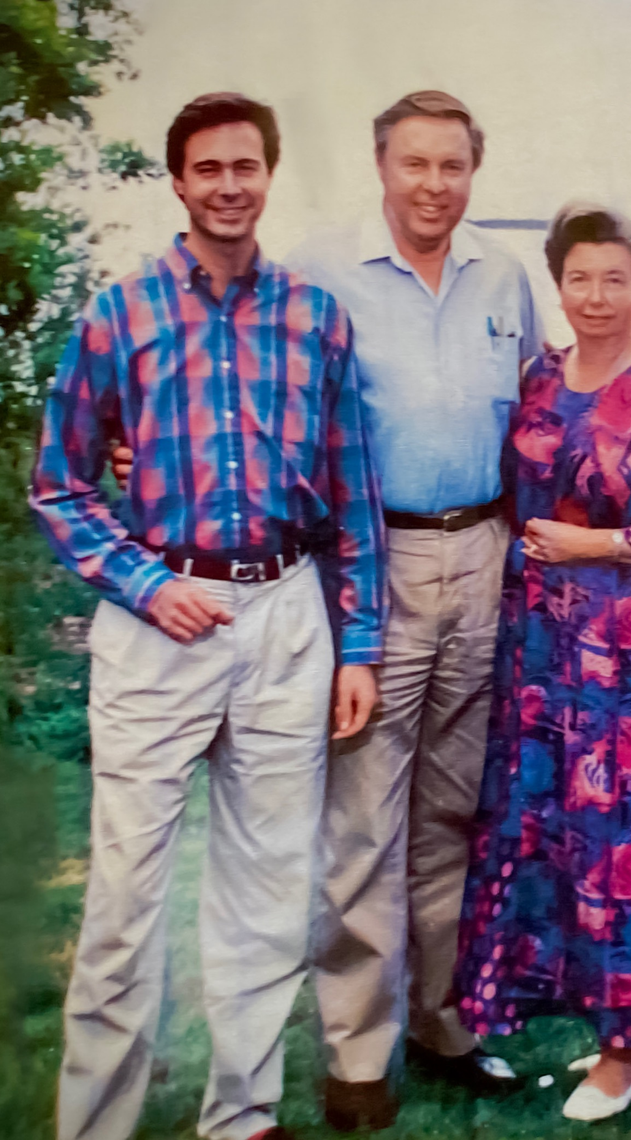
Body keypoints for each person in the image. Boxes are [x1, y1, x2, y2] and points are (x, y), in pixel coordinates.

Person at [31, 93, 385, 1140]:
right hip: (159, 623)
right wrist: (145, 581)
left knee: (269, 888)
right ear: (178, 182)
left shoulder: (315, 318)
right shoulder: (119, 314)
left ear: (269, 174)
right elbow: (59, 486)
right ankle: (93, 1122)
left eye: (247, 165)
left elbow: (351, 493)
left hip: (286, 614)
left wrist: (356, 643)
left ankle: (243, 1113)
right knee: (124, 904)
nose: (229, 185)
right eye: (207, 168)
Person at [286, 91, 545, 1129]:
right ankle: (357, 1048)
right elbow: (268, 412)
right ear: (381, 166)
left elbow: (539, 416)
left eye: (452, 166)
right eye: (415, 165)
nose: (434, 185)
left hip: (481, 554)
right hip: (371, 562)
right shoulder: (319, 272)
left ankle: (442, 1019)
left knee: (451, 809)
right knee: (362, 815)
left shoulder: (505, 277)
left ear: (473, 172)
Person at [454, 203, 631, 1123]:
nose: (598, 295)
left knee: (627, 843)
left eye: (616, 278)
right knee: (561, 835)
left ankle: (625, 1049)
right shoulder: (539, 380)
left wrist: (602, 546)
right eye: (581, 277)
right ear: (557, 283)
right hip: (543, 649)